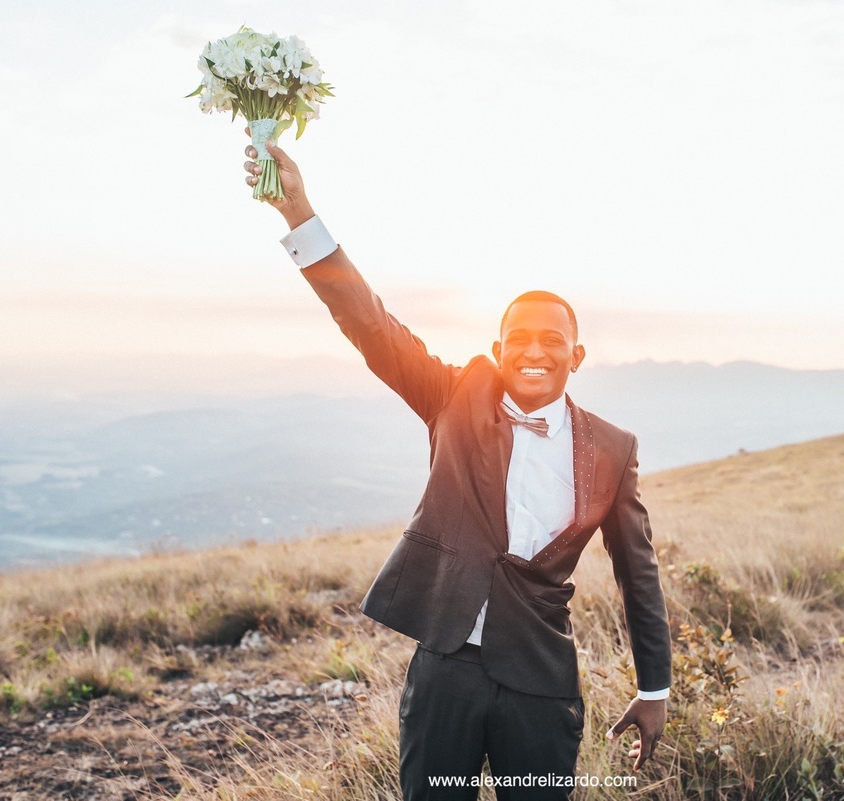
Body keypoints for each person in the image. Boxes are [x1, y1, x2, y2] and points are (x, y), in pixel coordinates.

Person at [242, 136, 671, 800]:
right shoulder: (453, 397)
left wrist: (654, 687)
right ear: (497, 349)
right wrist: (299, 213)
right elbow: (369, 322)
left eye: (551, 341)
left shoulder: (613, 449)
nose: (534, 351)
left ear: (577, 356)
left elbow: (638, 575)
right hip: (445, 671)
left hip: (540, 681)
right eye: (519, 339)